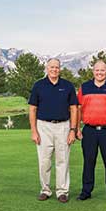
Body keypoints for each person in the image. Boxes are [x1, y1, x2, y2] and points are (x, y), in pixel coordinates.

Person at [76, 60, 106, 204]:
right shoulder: (84, 87)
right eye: (97, 70)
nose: (99, 73)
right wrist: (77, 128)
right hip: (89, 131)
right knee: (88, 162)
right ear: (93, 71)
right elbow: (78, 109)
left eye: (102, 70)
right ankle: (86, 192)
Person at [28, 58, 78, 203]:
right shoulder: (39, 85)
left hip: (63, 126)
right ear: (47, 68)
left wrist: (72, 130)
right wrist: (34, 131)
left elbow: (74, 109)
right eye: (51, 67)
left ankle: (62, 191)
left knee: (63, 160)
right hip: (43, 126)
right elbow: (32, 109)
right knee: (44, 161)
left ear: (60, 69)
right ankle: (45, 190)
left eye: (57, 67)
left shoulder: (67, 86)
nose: (54, 69)